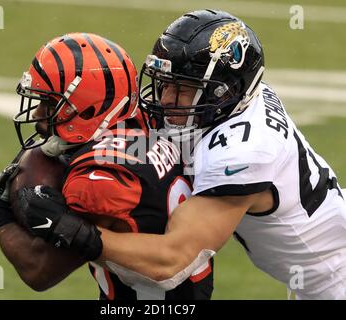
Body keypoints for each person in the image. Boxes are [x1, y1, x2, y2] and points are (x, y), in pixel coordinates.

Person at [18, 10, 346, 299]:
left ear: (225, 90)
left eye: (183, 88)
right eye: (165, 83)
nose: (166, 100)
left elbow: (172, 261)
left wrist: (73, 229)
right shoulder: (241, 104)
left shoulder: (245, 152)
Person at [0, 32, 213, 300]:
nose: (37, 114)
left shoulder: (98, 179)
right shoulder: (146, 127)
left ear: (87, 108)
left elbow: (38, 270)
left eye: (49, 103)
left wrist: (0, 210)